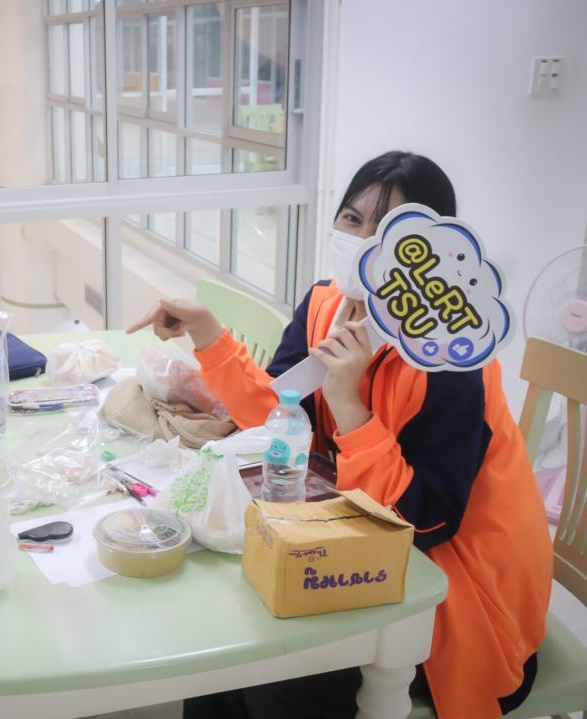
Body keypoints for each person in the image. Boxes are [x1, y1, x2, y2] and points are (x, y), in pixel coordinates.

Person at [129, 151, 552, 719]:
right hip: (359, 539)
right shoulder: (325, 304)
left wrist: (350, 406)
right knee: (223, 638)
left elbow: (423, 522)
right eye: (352, 220)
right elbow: (279, 413)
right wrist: (208, 334)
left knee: (279, 669)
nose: (362, 241)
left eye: (388, 231)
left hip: (457, 596)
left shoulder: (450, 363)